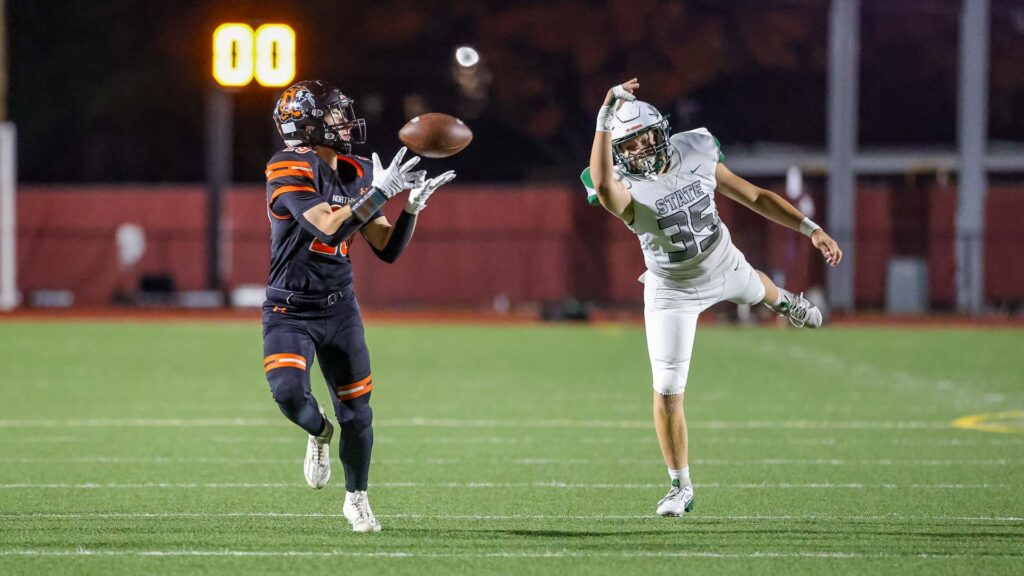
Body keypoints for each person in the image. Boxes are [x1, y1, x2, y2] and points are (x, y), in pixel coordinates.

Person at [587, 78, 842, 517]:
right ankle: (680, 486)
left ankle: (786, 302)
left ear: (662, 132)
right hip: (672, 290)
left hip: (723, 261)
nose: (639, 150)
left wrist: (810, 229)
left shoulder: (696, 150)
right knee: (668, 390)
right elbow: (604, 186)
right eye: (627, 145)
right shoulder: (619, 185)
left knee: (759, 290)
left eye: (645, 138)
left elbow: (755, 196)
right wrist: (604, 116)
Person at [262, 80, 455, 532]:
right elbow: (327, 228)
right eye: (334, 114)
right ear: (307, 123)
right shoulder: (286, 165)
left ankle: (356, 498)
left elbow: (386, 248)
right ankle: (319, 432)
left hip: (339, 308)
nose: (345, 122)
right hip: (290, 308)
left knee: (357, 411)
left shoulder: (358, 171)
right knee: (289, 393)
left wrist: (411, 209)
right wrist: (382, 193)